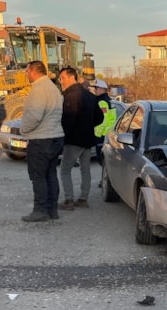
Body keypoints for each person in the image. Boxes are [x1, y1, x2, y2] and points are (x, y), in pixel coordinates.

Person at [19, 61, 64, 222]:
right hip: (55, 137)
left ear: (33, 71)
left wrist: (23, 130)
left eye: (27, 71)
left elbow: (35, 116)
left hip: (41, 139)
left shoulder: (39, 89)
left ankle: (40, 210)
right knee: (50, 174)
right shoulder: (53, 88)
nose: (26, 75)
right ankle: (52, 210)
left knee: (38, 176)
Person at [58, 67, 103, 211]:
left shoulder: (70, 96)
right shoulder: (90, 96)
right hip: (88, 139)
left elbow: (67, 120)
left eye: (62, 78)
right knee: (85, 170)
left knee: (65, 170)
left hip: (73, 140)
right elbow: (100, 118)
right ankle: (83, 199)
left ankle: (69, 200)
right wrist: (88, 126)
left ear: (72, 77)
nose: (61, 81)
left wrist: (63, 138)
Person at [91, 78, 116, 165]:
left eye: (96, 88)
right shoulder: (108, 99)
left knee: (101, 159)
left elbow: (103, 120)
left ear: (102, 89)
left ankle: (106, 177)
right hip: (108, 133)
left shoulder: (101, 102)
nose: (95, 90)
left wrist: (98, 134)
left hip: (102, 135)